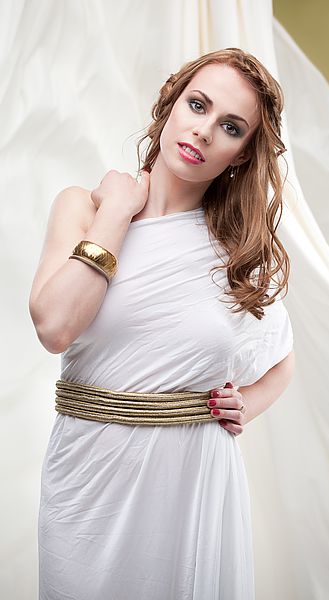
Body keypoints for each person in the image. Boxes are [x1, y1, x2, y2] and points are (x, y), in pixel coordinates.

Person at [29, 47, 295, 599]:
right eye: (197, 105)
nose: (202, 131)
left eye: (229, 127)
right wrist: (117, 212)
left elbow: (282, 357)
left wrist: (249, 402)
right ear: (171, 103)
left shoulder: (234, 252)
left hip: (192, 479)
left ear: (242, 155)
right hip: (88, 474)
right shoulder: (84, 207)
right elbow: (54, 326)